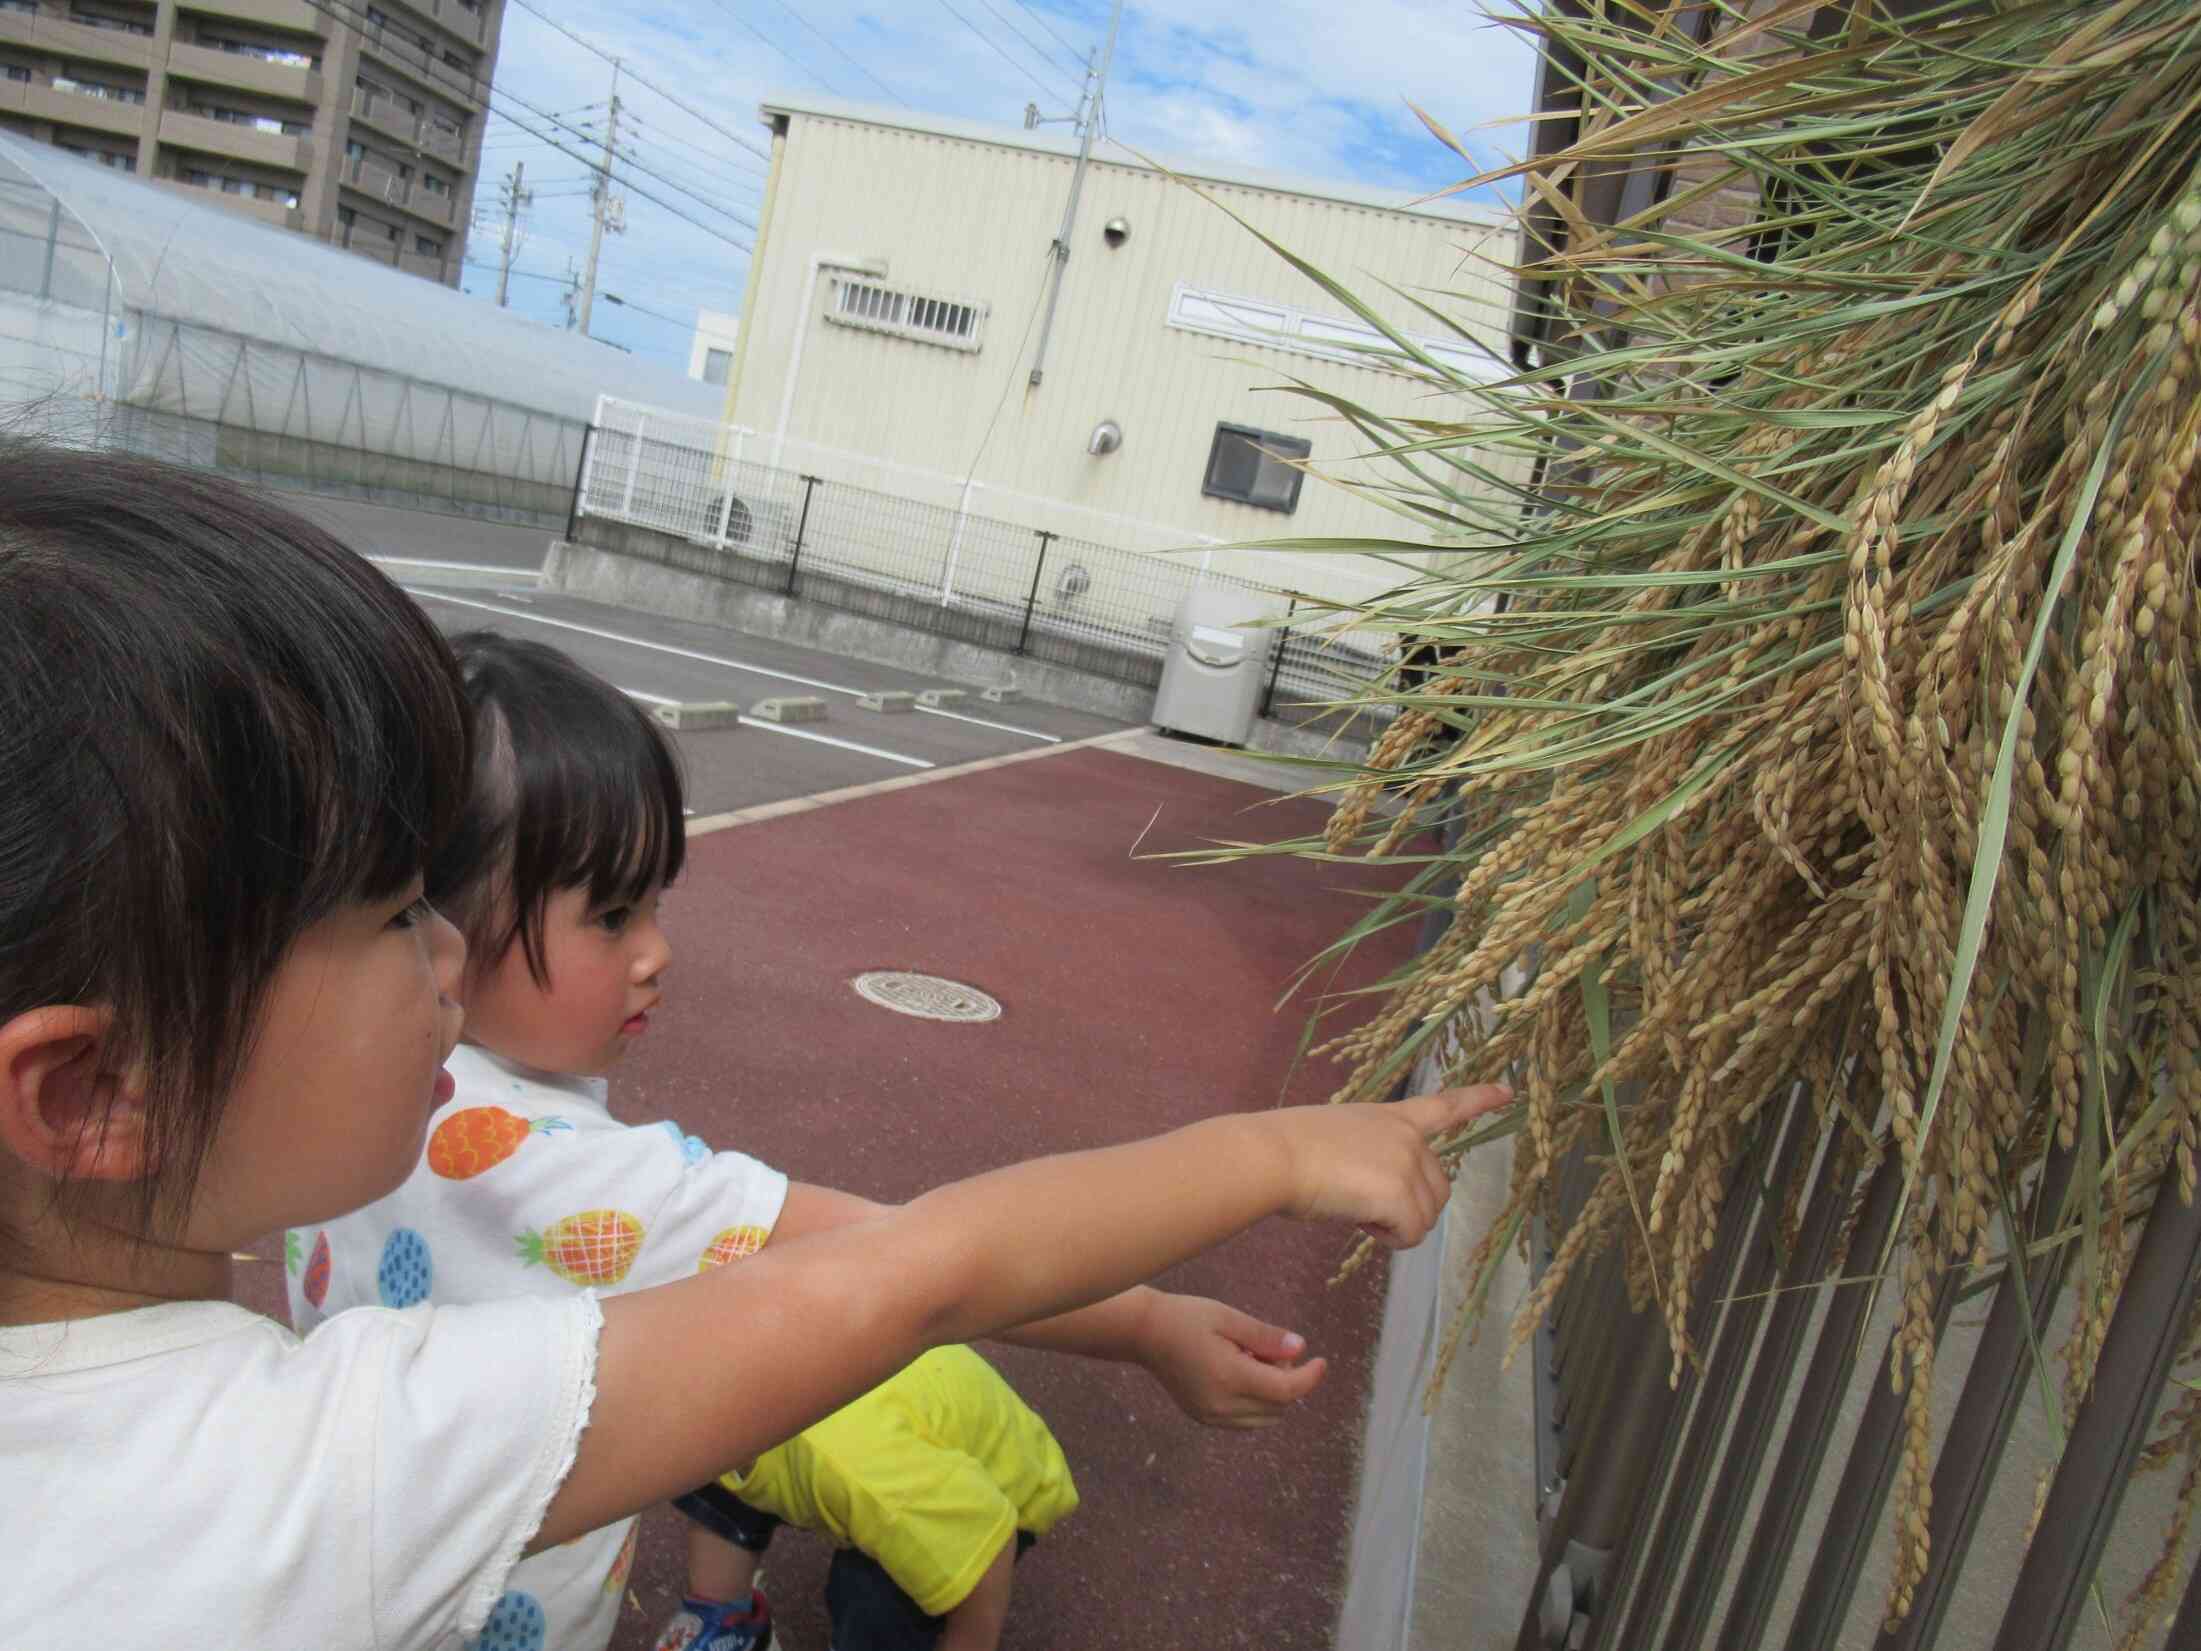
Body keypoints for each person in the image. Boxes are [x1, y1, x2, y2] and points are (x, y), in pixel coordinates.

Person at [0, 444, 1512, 1649]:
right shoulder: (321, 1475)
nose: (449, 954)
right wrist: (1267, 1156)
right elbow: (913, 1261)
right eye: (403, 912)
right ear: (97, 1088)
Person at [290, 634, 1324, 1651]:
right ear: (445, 923)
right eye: (611, 914)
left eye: (654, 902)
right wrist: (1148, 1320)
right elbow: (927, 1255)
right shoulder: (566, 1171)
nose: (656, 951)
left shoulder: (344, 1082)